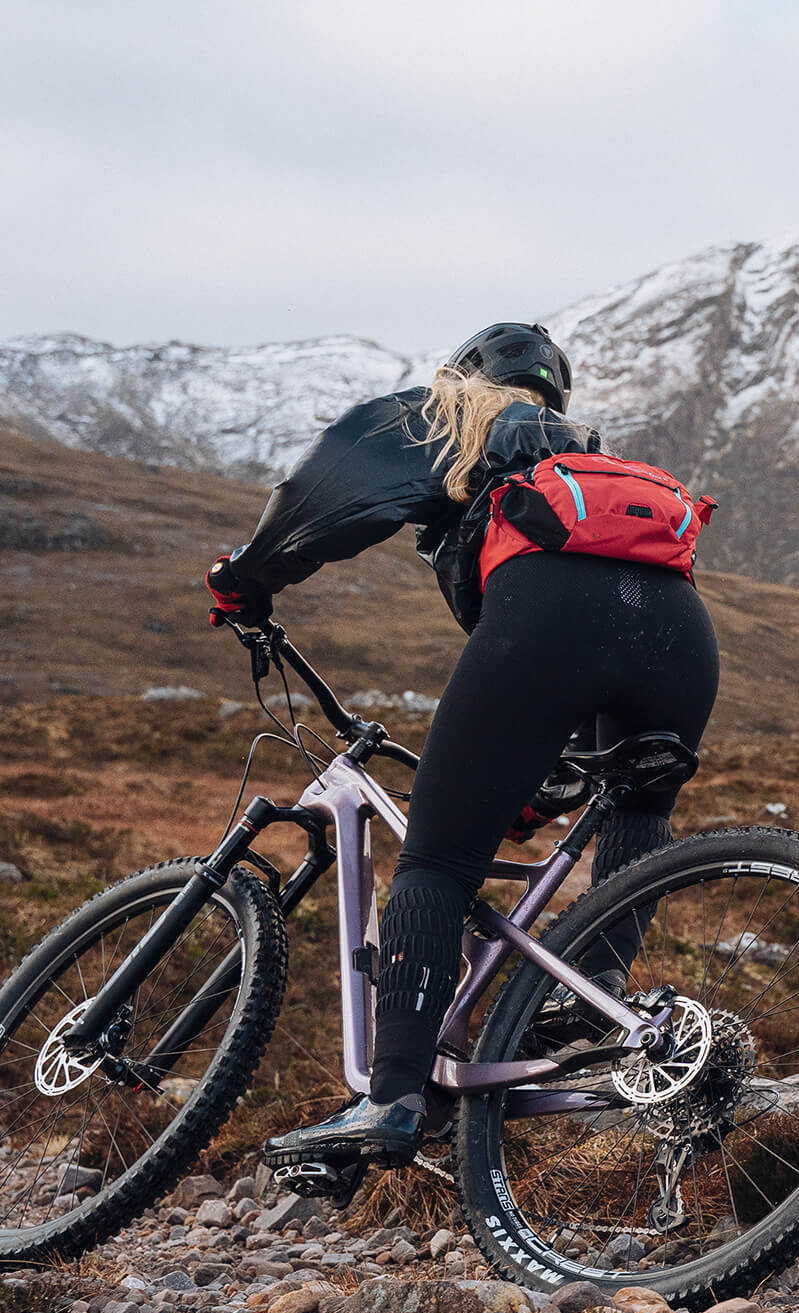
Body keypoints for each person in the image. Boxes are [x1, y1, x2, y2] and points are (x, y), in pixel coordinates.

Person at [204, 322, 719, 1169]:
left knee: (438, 864)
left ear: (466, 374)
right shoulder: (587, 458)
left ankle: (394, 1098)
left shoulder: (447, 413)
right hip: (680, 637)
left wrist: (245, 581)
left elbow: (323, 494)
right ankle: (597, 991)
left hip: (551, 626)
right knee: (633, 809)